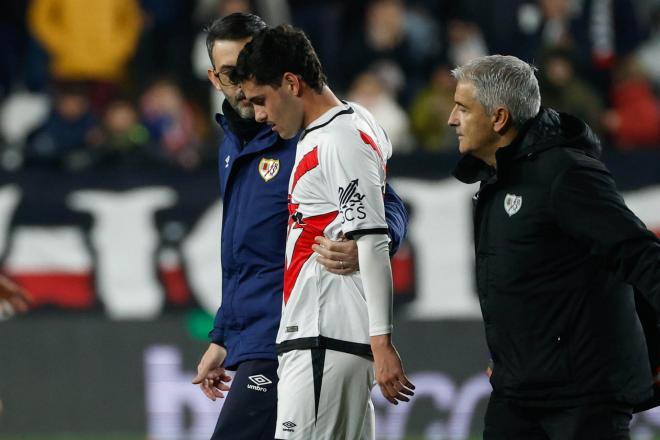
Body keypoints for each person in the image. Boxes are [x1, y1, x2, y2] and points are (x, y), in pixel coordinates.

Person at [190, 14, 409, 440]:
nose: (244, 85)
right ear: (215, 79)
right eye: (233, 74)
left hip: (302, 330)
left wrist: (372, 242)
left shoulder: (310, 129)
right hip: (265, 336)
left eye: (253, 69)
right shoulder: (232, 147)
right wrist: (223, 335)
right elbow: (243, 256)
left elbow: (384, 202)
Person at [448, 54, 660, 439]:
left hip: (583, 396)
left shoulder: (567, 175)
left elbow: (640, 254)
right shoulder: (495, 179)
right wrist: (511, 358)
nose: (451, 119)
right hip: (518, 392)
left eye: (463, 108)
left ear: (498, 118)